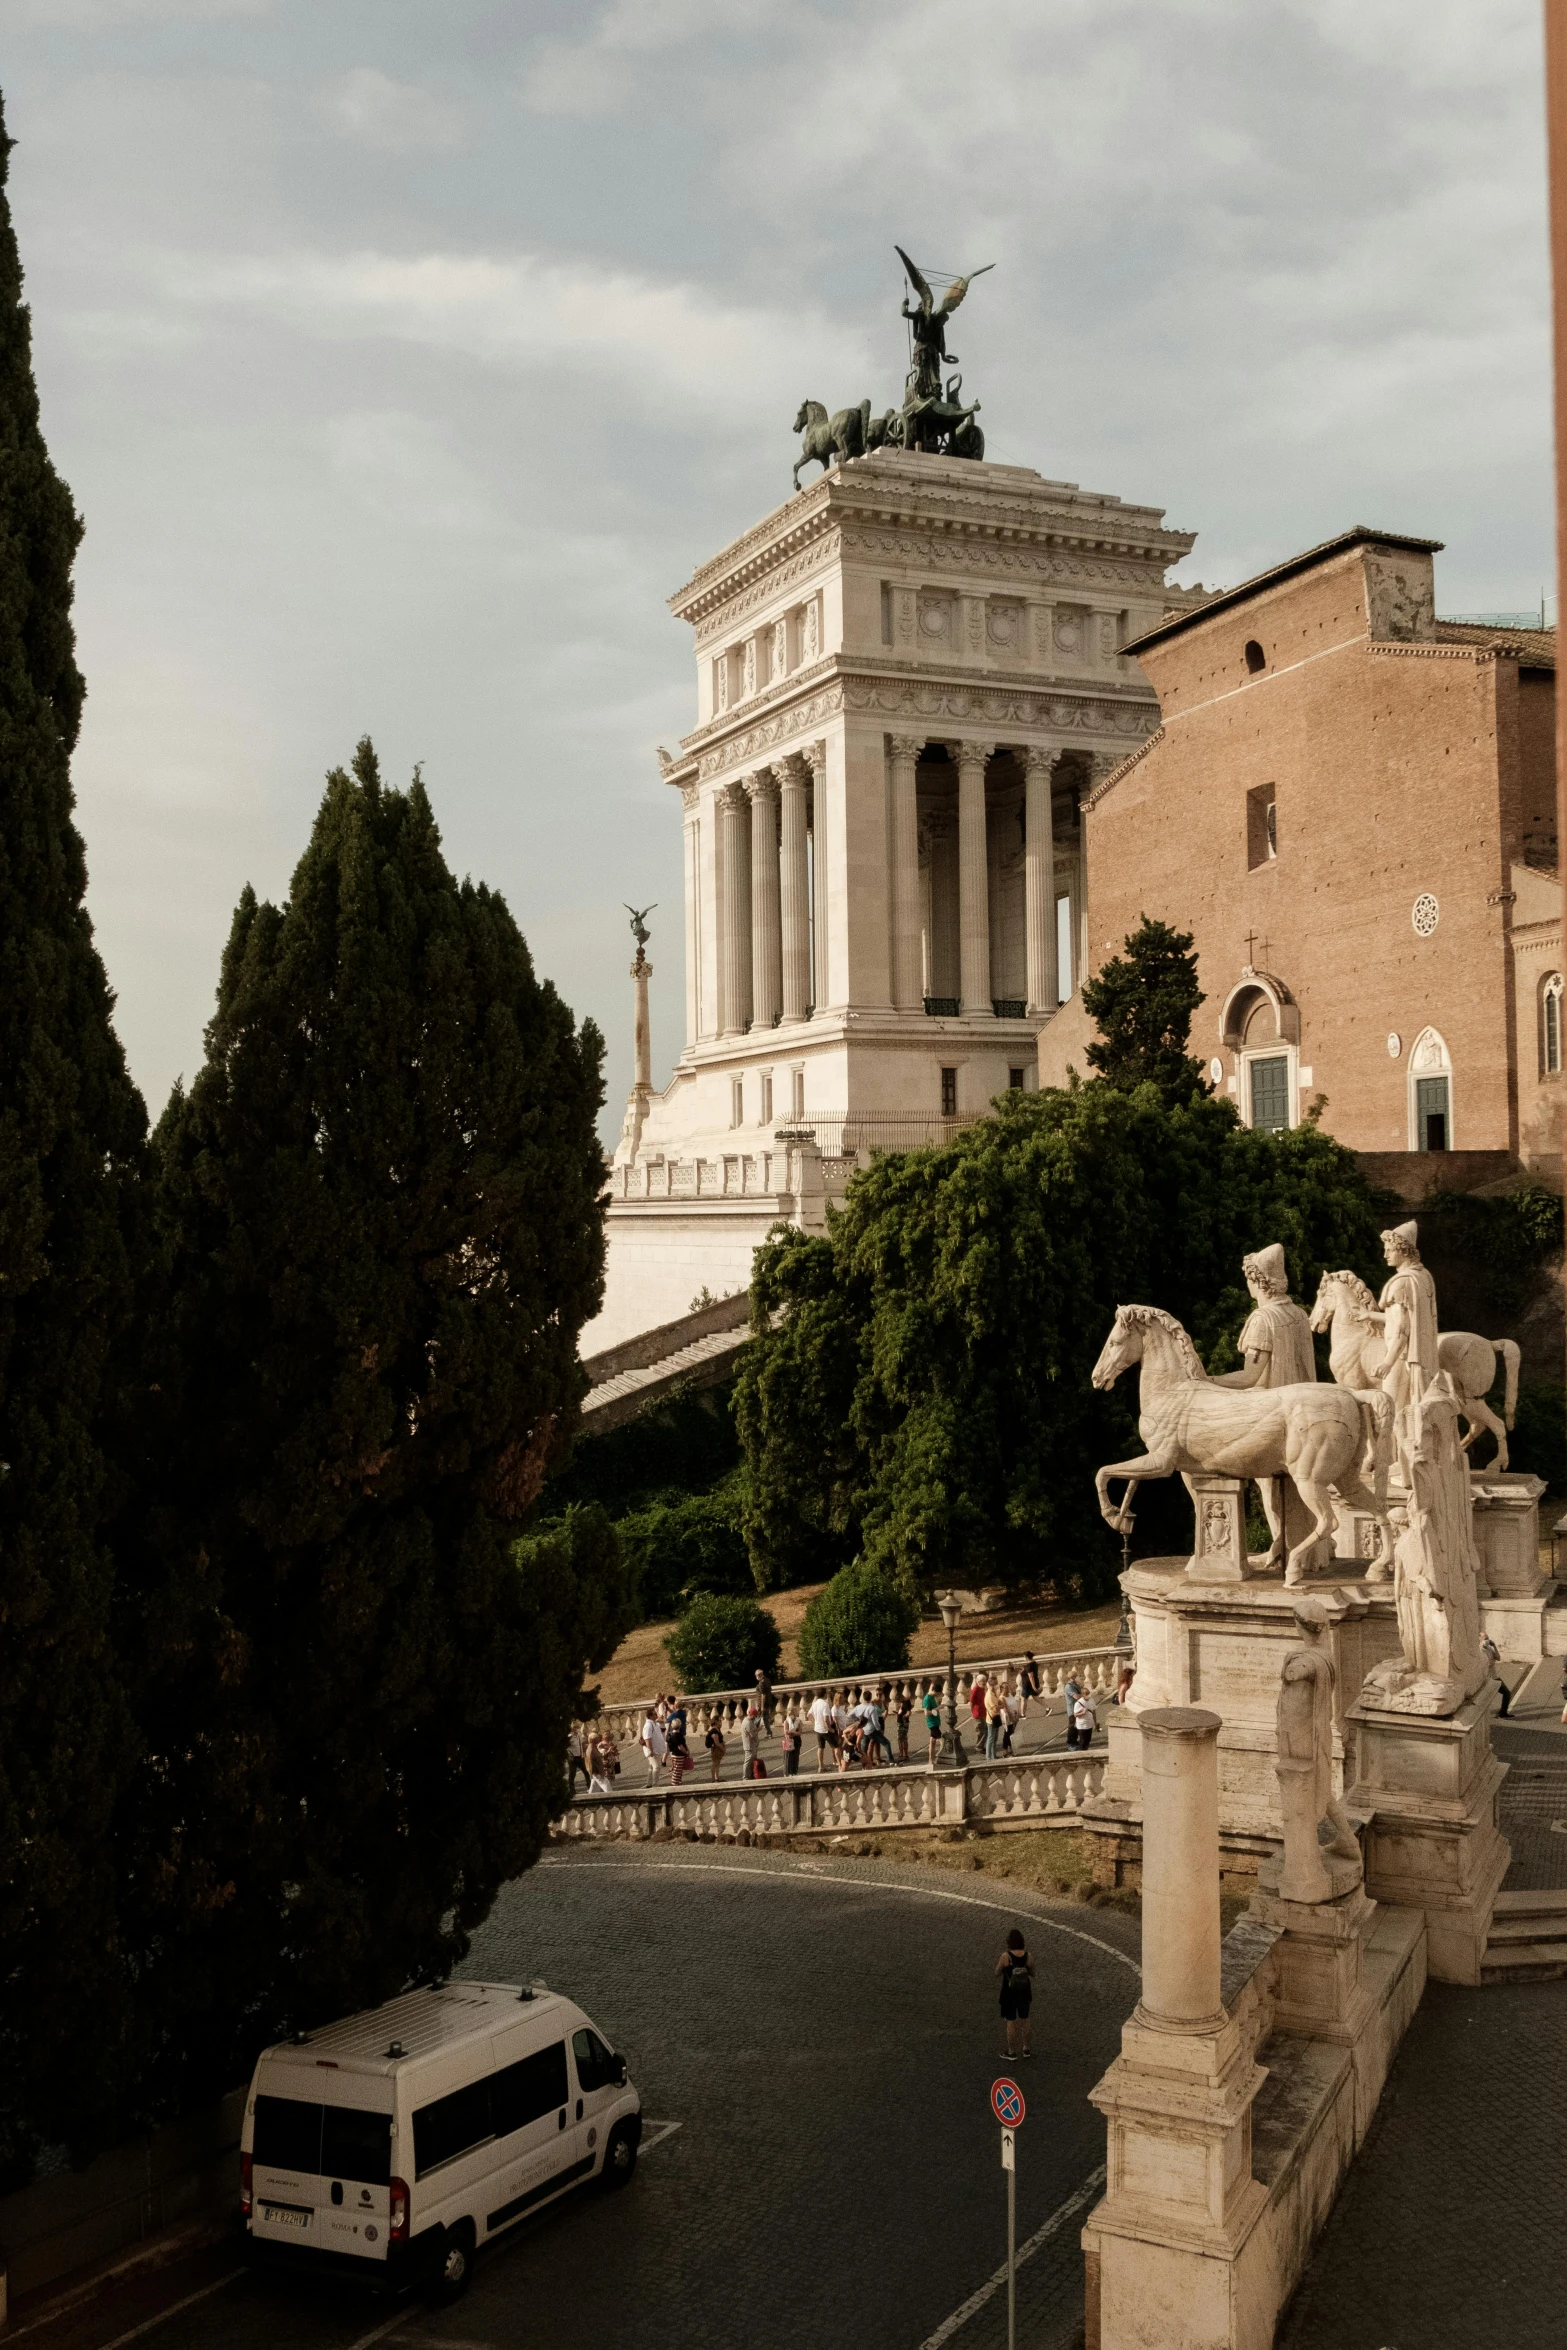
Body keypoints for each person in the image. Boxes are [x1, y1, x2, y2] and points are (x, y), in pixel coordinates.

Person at [996, 1928, 1034, 2059]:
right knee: (1025, 2020)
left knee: (1011, 2021)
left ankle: (1011, 2051)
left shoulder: (1005, 1956)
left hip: (1009, 1993)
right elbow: (1033, 1973)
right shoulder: (1028, 1956)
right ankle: (1026, 2049)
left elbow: (997, 1972)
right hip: (1024, 1992)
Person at [1480, 1635, 1512, 1719]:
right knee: (1485, 1698)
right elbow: (1486, 1664)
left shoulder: (1489, 1648)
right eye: (1485, 1638)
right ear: (1479, 1639)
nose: (1487, 1640)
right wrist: (1491, 1662)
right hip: (1486, 1678)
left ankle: (1503, 1713)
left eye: (1487, 1638)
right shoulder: (1480, 1650)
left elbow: (1498, 1658)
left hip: (1494, 1676)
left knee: (1507, 1693)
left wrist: (1494, 1646)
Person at [666, 1703, 692, 1785]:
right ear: (679, 1725)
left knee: (678, 1770)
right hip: (678, 1755)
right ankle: (675, 1784)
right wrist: (686, 1752)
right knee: (677, 1771)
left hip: (674, 1754)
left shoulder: (672, 1735)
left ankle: (678, 1782)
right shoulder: (678, 1736)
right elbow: (680, 1746)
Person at [639, 1707, 667, 1782]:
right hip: (652, 1750)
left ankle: (649, 1783)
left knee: (651, 1766)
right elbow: (647, 1739)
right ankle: (655, 1785)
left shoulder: (654, 1723)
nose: (656, 1715)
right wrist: (651, 1750)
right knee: (656, 1767)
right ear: (650, 1716)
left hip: (656, 1749)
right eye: (655, 1714)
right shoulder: (648, 1725)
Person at [809, 1689, 834, 1771]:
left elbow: (808, 1715)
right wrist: (830, 1729)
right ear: (824, 1695)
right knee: (835, 1745)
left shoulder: (814, 1704)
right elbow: (826, 1719)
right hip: (825, 1729)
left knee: (820, 1747)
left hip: (818, 1728)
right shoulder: (825, 1704)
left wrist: (815, 1722)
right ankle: (839, 1763)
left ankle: (821, 1766)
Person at [740, 1704, 765, 1780]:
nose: (755, 1717)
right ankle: (746, 1776)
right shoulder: (748, 1723)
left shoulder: (747, 1721)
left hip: (751, 1745)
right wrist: (759, 1729)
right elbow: (752, 1735)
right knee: (748, 1761)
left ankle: (750, 1774)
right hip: (749, 1745)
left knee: (751, 1761)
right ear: (752, 1715)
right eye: (755, 1716)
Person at [983, 1678, 1003, 1762]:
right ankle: (989, 1756)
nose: (997, 1686)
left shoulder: (992, 1693)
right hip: (992, 1719)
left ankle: (993, 1755)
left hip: (995, 1718)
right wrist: (1001, 1706)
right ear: (992, 1685)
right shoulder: (990, 1695)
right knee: (991, 1738)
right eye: (996, 1684)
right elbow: (995, 1709)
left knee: (994, 1738)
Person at [922, 1684, 943, 1766]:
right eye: (938, 1693)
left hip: (935, 1722)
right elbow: (926, 1713)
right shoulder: (927, 1699)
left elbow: (931, 1686)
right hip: (932, 1723)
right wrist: (938, 1708)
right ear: (935, 1691)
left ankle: (930, 1760)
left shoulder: (931, 1696)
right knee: (942, 1740)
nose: (937, 1695)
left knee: (932, 1741)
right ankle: (943, 1756)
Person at [567, 1723, 590, 1792]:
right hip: (573, 1758)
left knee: (586, 1772)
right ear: (571, 1728)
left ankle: (589, 1787)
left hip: (580, 1757)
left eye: (577, 1727)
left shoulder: (579, 1734)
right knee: (572, 1774)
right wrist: (569, 1755)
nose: (576, 1729)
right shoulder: (570, 1736)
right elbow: (566, 1747)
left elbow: (582, 1744)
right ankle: (571, 1789)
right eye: (574, 1727)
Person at [780, 1705, 803, 1775]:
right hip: (788, 1740)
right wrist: (792, 1732)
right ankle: (787, 1773)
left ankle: (794, 1772)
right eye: (790, 1714)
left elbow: (800, 1732)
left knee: (795, 1757)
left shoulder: (799, 1721)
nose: (792, 1715)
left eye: (793, 1713)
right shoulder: (786, 1721)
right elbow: (785, 1731)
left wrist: (793, 1733)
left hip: (796, 1740)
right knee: (788, 1757)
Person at [1019, 1652, 1041, 1718]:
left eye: (1024, 1657)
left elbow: (1031, 1676)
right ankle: (1047, 1708)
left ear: (1027, 1657)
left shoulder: (1029, 1666)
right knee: (1035, 1697)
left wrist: (1033, 1687)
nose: (1023, 1658)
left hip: (1027, 1685)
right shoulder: (1034, 1663)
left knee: (1023, 1699)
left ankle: (1022, 1714)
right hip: (1030, 1684)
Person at [754, 1666, 774, 1733]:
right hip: (768, 1702)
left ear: (758, 1675)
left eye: (756, 1675)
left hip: (763, 1704)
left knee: (758, 1718)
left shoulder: (761, 1683)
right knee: (765, 1718)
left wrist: (762, 1706)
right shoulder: (767, 1680)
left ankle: (754, 1731)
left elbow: (763, 1695)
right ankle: (769, 1732)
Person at [895, 1689, 912, 1763]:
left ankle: (904, 1755)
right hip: (901, 1722)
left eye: (898, 1701)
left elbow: (908, 1712)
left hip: (903, 1722)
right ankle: (902, 1754)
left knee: (902, 1738)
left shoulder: (906, 1702)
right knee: (901, 1739)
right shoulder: (903, 1703)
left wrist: (903, 1716)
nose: (898, 1702)